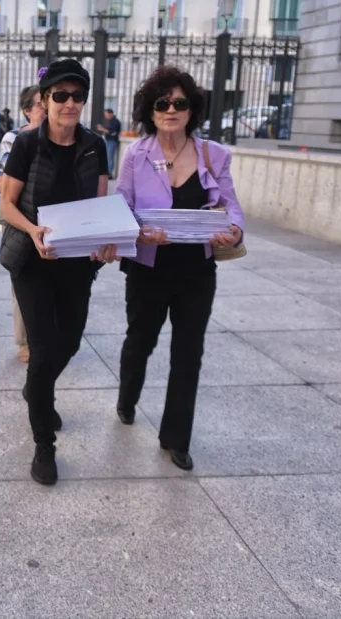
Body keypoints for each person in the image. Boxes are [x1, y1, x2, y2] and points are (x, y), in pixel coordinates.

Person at [109, 65, 244, 472]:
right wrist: (139, 232)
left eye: (179, 103)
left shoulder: (213, 154)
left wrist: (234, 230)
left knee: (189, 352)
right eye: (162, 103)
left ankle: (176, 438)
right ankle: (127, 398)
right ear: (149, 111)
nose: (171, 110)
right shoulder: (136, 155)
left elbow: (231, 205)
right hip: (148, 267)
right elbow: (122, 208)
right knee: (140, 341)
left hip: (196, 270)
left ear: (192, 110)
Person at [0, 58, 110, 486]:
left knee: (71, 341)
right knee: (43, 351)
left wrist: (107, 239)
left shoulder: (95, 146)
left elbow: (100, 204)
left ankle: (36, 388)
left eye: (77, 96)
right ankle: (44, 445)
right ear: (44, 100)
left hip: (77, 262)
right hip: (33, 260)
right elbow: (7, 204)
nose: (69, 103)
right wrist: (33, 230)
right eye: (60, 95)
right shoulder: (27, 144)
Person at [0, 83, 46, 363]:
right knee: (23, 281)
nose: (47, 108)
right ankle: (25, 341)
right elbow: (0, 183)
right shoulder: (13, 139)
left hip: (53, 220)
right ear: (27, 110)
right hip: (19, 219)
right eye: (40, 104)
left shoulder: (67, 138)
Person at [96, 108, 122, 178]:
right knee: (107, 157)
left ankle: (109, 173)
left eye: (106, 114)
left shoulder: (116, 122)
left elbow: (112, 132)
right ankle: (107, 172)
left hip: (112, 141)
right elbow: (108, 130)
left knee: (110, 157)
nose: (105, 116)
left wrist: (102, 129)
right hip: (107, 140)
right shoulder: (109, 121)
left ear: (111, 114)